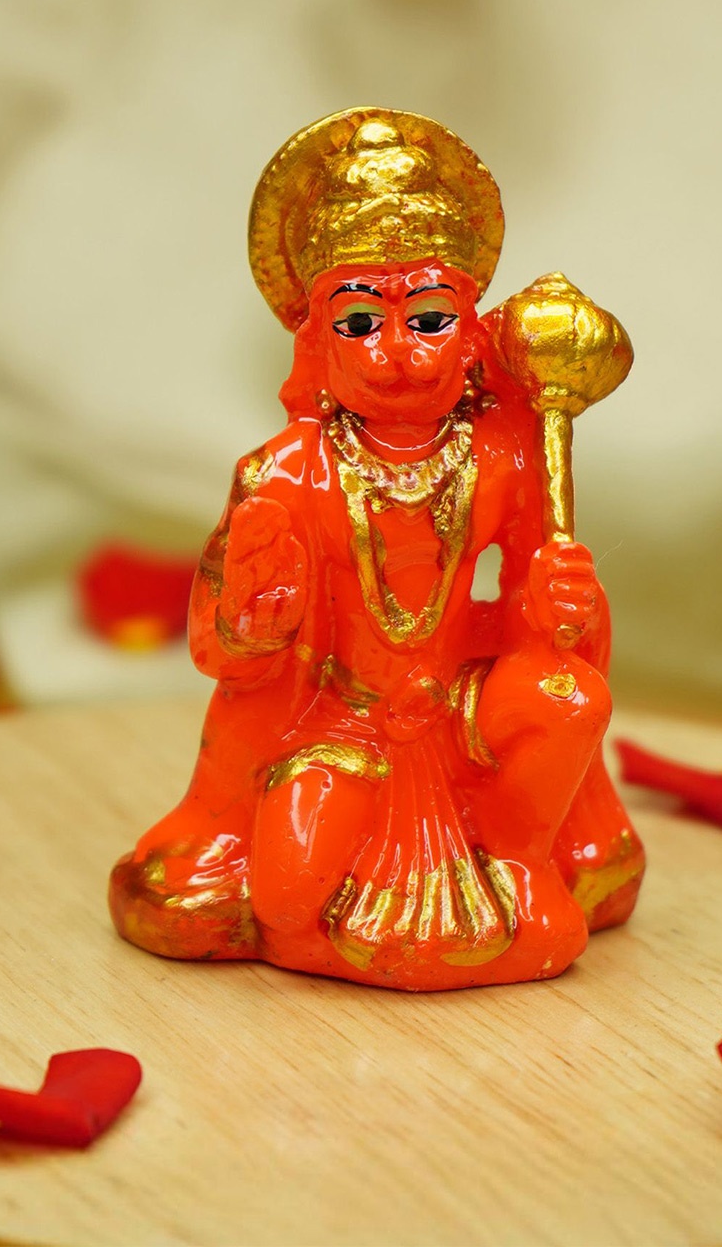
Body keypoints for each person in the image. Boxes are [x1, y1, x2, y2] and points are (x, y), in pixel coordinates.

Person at [109, 108, 643, 990]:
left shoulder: (506, 454)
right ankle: (321, 912)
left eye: (428, 318)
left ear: (473, 334)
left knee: (568, 697)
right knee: (285, 899)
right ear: (315, 339)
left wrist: (559, 614)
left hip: (464, 710)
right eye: (360, 323)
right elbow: (218, 647)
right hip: (342, 720)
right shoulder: (285, 472)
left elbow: (531, 623)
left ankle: (514, 859)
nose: (397, 353)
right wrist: (253, 626)